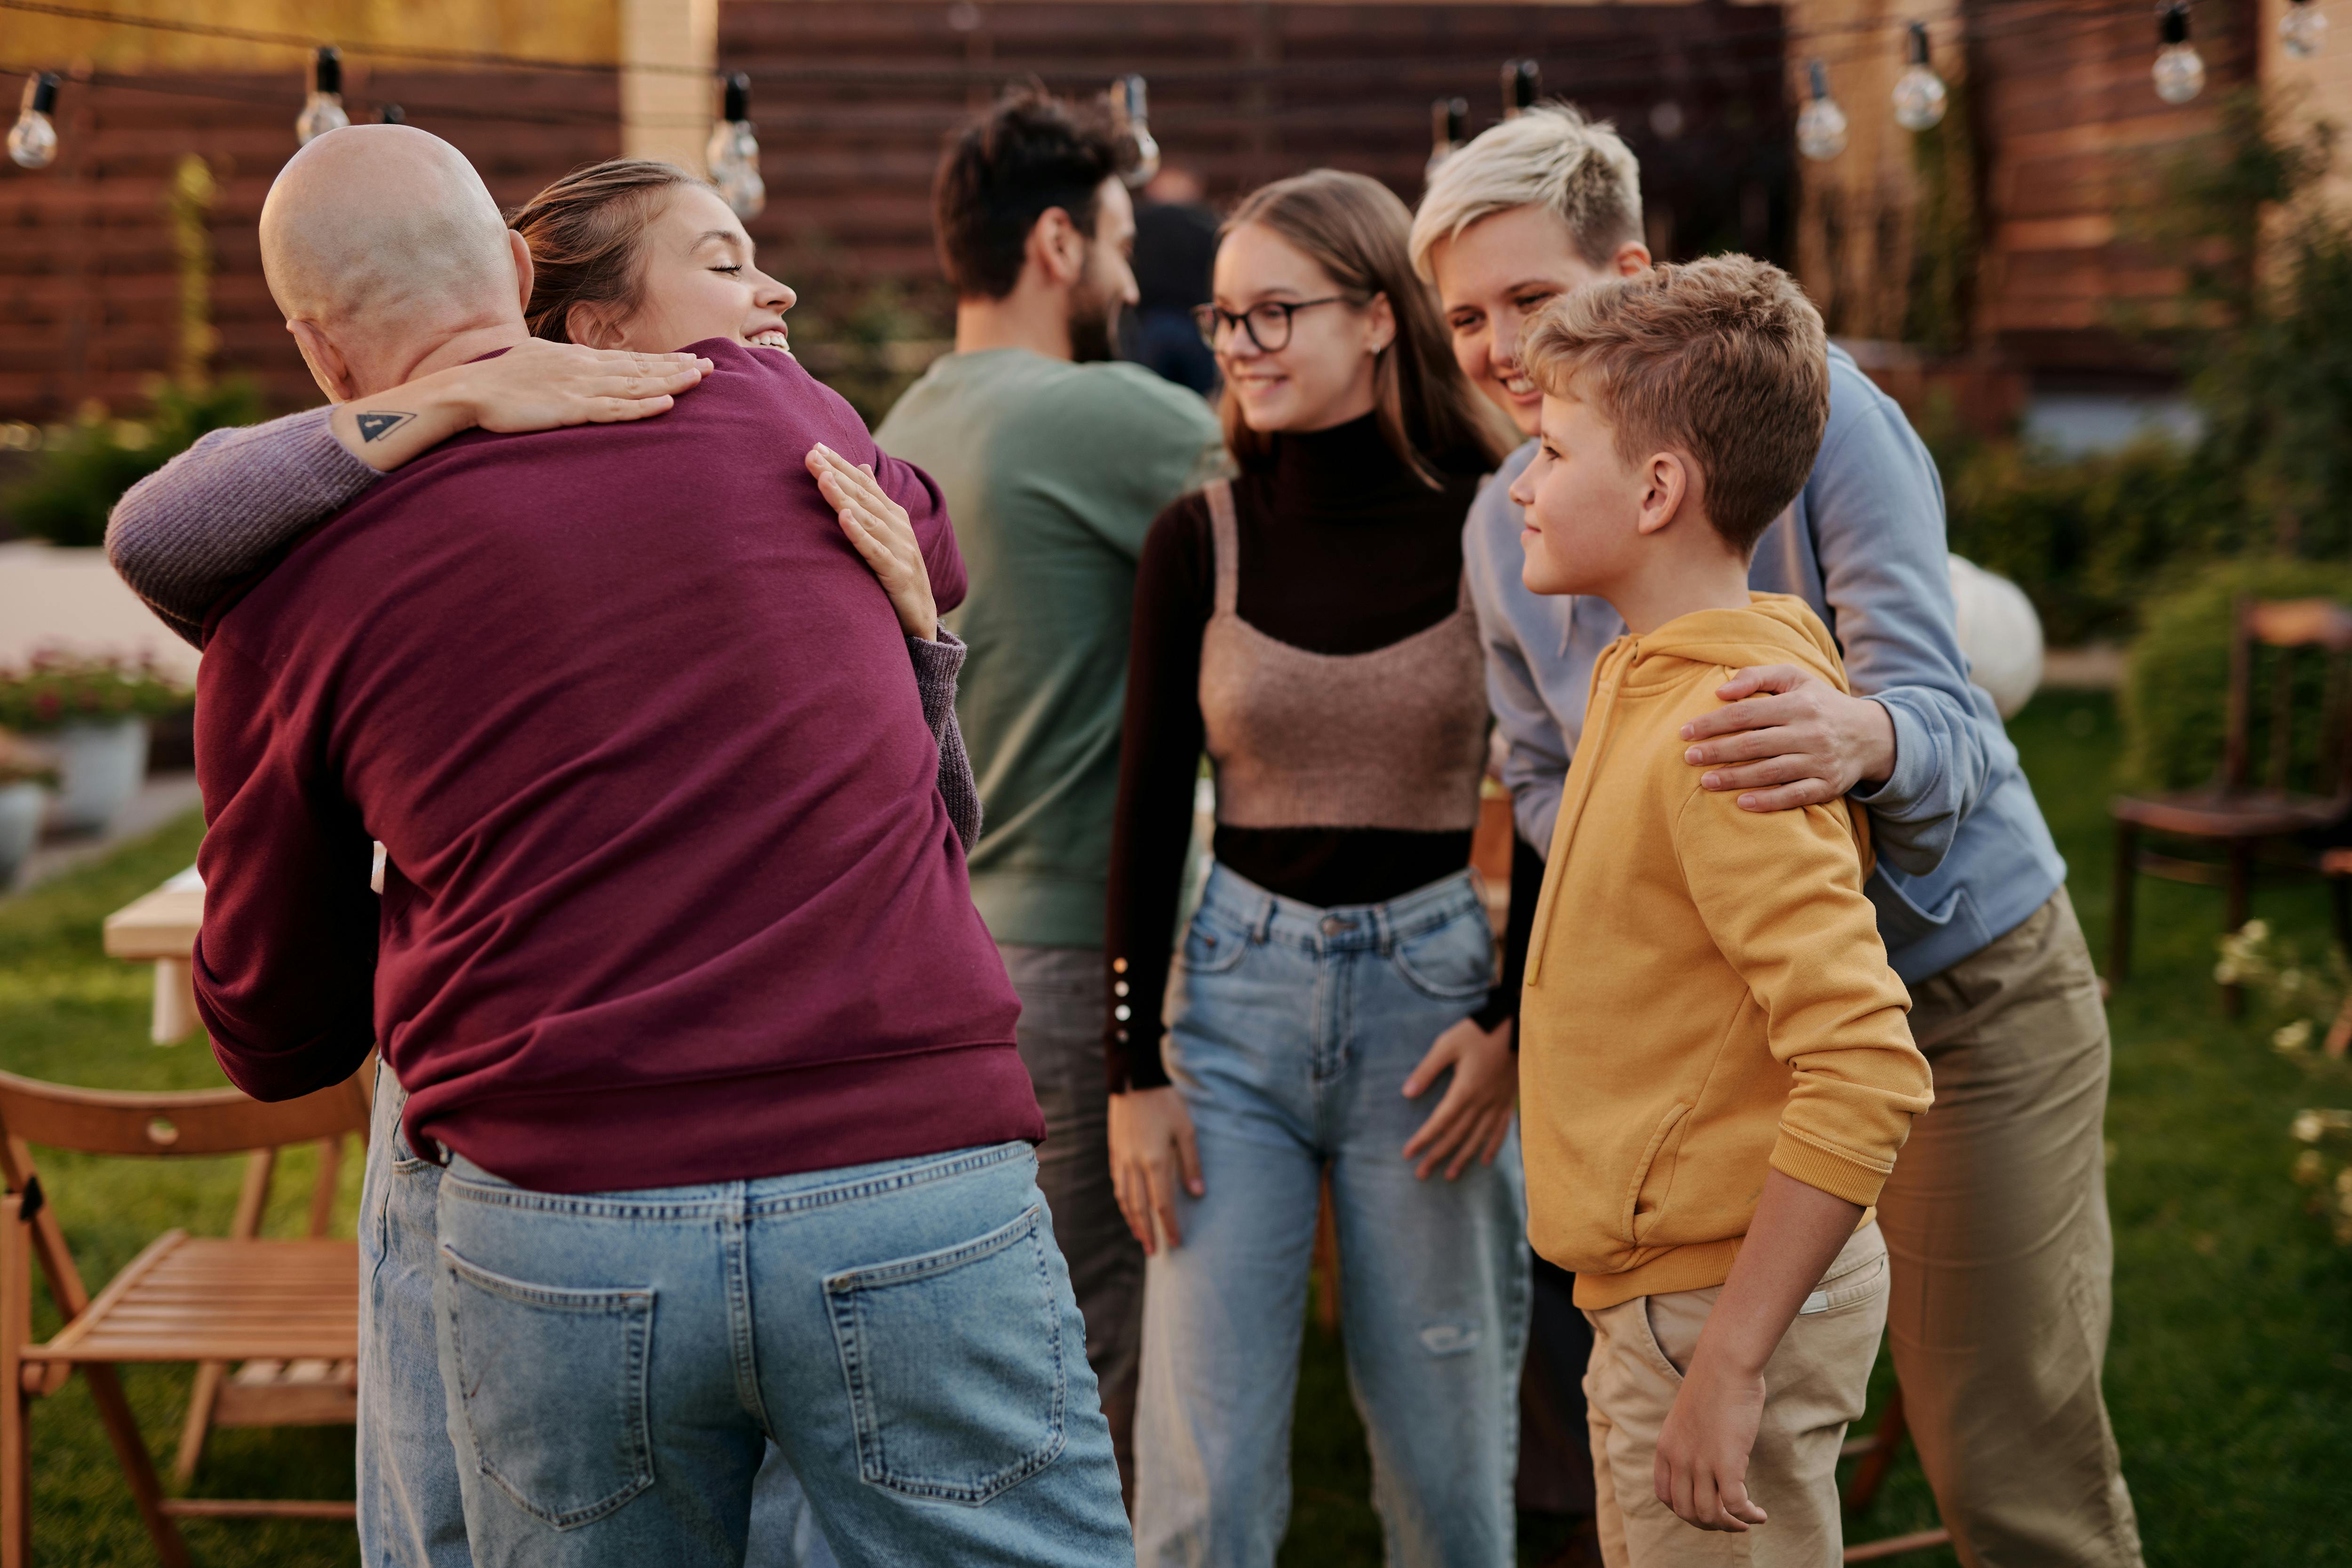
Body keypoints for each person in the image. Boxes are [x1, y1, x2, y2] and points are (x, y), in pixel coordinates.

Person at [176, 123, 1131, 1567]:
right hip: (909, 1164)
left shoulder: (287, 575)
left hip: (567, 1211)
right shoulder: (774, 411)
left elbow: (271, 1028)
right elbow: (925, 551)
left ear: (316, 353)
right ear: (511, 269)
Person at [1418, 105, 2145, 1567]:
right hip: (1742, 1037)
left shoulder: (1817, 419)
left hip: (1951, 983)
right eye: (1463, 319)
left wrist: (1852, 739)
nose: (1498, 351)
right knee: (1726, 1432)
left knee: (1993, 1446)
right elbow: (1555, 789)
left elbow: (1947, 713)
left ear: (1627, 275)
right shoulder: (1514, 525)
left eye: (1532, 303)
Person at [1104, 168, 1523, 1568]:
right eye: (1222, 320)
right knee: (1203, 1488)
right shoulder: (1197, 539)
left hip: (1434, 1016)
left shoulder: (1495, 527)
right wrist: (1133, 1072)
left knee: (1448, 1469)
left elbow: (1546, 789)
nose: (1238, 348)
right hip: (1231, 1013)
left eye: (1272, 313)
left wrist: (1511, 1016)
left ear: (1377, 318)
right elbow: (1149, 810)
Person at [1508, 255, 1935, 1566]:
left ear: (1656, 489)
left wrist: (1732, 1360)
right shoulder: (1663, 669)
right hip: (1660, 1295)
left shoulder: (1720, 728)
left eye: (1549, 448)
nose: (1521, 483)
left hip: (1712, 1305)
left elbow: (1865, 1062)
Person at [872, 87, 1226, 1499]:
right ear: (1060, 245)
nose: (1140, 280)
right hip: (1087, 951)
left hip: (948, 946)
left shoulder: (906, 417)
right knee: (1101, 1349)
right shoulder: (1110, 418)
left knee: (1000, 1338)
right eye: (1127, 242)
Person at [1122, 165, 1222, 394]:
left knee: (1150, 397)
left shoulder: (1137, 223)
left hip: (1150, 325)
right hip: (1195, 325)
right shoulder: (1206, 224)